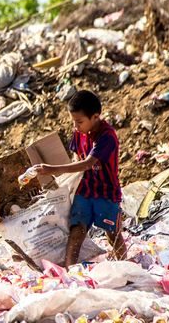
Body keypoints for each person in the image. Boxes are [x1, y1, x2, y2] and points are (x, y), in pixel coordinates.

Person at [27, 89, 125, 266]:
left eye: (79, 122)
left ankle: (126, 268)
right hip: (85, 190)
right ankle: (70, 271)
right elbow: (76, 158)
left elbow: (87, 163)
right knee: (76, 230)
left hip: (106, 192)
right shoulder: (78, 132)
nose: (76, 126)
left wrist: (52, 169)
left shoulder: (107, 136)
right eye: (73, 122)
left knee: (113, 234)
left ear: (95, 117)